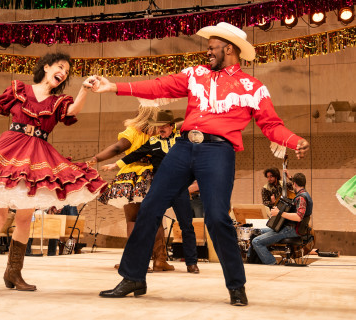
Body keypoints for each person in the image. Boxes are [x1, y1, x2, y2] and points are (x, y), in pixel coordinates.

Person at [85, 22, 310, 306]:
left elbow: (271, 125)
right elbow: (159, 85)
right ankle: (133, 277)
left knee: (217, 217)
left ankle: (236, 286)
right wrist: (115, 86)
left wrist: (294, 139)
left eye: (211, 48)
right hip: (182, 148)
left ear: (228, 49)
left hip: (218, 152)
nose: (207, 53)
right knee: (150, 206)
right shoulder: (196, 75)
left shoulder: (252, 87)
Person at [0, 53, 107, 296]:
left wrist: (84, 89)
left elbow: (73, 110)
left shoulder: (59, 101)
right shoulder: (19, 90)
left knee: (23, 218)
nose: (63, 71)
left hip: (38, 155)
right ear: (46, 67)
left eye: (67, 70)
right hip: (10, 151)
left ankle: (13, 272)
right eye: (60, 66)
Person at [102, 110, 200, 273]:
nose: (160, 129)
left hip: (180, 188)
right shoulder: (153, 142)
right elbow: (135, 154)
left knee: (186, 225)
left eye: (164, 126)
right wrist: (115, 164)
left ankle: (191, 262)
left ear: (171, 126)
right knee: (150, 222)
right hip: (160, 188)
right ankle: (146, 260)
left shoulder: (182, 140)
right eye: (158, 126)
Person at [88, 106, 175, 272]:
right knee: (155, 220)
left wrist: (96, 158)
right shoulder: (162, 131)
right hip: (155, 177)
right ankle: (160, 260)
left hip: (130, 178)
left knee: (133, 219)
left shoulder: (133, 131)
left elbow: (117, 148)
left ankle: (133, 260)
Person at [251, 173, 313, 265]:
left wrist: (279, 213)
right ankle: (251, 259)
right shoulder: (305, 194)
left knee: (256, 241)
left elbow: (298, 217)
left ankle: (272, 263)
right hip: (291, 228)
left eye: (293, 183)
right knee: (257, 231)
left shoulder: (301, 198)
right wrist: (288, 176)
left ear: (295, 184)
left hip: (291, 229)